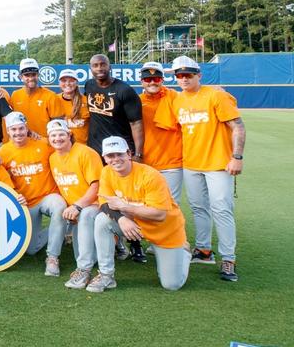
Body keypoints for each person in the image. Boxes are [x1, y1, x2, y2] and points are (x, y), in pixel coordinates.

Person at [154, 55, 244, 282]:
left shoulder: (216, 95)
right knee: (197, 208)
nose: (183, 79)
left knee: (221, 209)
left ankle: (228, 258)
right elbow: (164, 123)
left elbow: (238, 127)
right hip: (191, 164)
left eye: (188, 74)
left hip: (218, 163)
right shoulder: (176, 100)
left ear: (199, 75)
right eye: (179, 75)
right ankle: (203, 250)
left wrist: (237, 157)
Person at [85, 136, 191, 293]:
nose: (115, 159)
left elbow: (160, 214)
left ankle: (183, 251)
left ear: (129, 153)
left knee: (172, 285)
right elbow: (104, 203)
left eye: (119, 154)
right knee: (102, 220)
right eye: (110, 156)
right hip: (135, 225)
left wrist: (125, 207)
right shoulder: (107, 172)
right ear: (104, 158)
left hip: (165, 230)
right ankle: (106, 275)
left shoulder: (151, 175)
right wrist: (121, 219)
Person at [0, 111, 66, 273]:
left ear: (27, 128)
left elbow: (63, 153)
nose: (18, 133)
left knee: (59, 206)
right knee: (31, 249)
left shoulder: (43, 145)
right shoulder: (3, 152)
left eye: (21, 128)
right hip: (26, 203)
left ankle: (53, 257)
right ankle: (63, 228)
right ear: (8, 131)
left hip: (48, 196)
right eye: (14, 130)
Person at [47, 119, 103, 285]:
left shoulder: (85, 153)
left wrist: (78, 205)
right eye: (53, 135)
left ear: (69, 135)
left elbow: (97, 185)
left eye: (61, 134)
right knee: (81, 252)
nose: (57, 138)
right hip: (76, 210)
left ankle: (83, 270)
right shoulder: (52, 158)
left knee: (86, 256)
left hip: (95, 205)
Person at [137, 62, 183, 203]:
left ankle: (173, 226)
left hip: (172, 162)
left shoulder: (175, 97)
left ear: (162, 80)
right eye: (147, 79)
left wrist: (216, 89)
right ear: (141, 82)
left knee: (171, 203)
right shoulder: (136, 101)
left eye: (156, 79)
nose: (152, 82)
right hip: (145, 162)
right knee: (146, 202)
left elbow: (196, 96)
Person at [84, 54, 143, 156]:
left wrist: (138, 154)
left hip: (119, 150)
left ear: (110, 67)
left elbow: (136, 124)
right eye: (95, 65)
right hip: (95, 149)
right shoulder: (89, 85)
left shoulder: (124, 90)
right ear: (90, 68)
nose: (99, 68)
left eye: (103, 65)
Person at [10, 58, 63, 138]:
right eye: (27, 75)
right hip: (22, 142)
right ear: (21, 76)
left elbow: (58, 125)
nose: (31, 78)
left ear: (38, 75)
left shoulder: (51, 96)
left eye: (33, 75)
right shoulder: (15, 95)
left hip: (44, 143)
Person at [56, 68, 89, 146]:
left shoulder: (86, 100)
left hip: (83, 146)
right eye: (64, 81)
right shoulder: (55, 100)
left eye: (71, 80)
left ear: (76, 83)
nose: (67, 83)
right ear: (59, 83)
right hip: (61, 146)